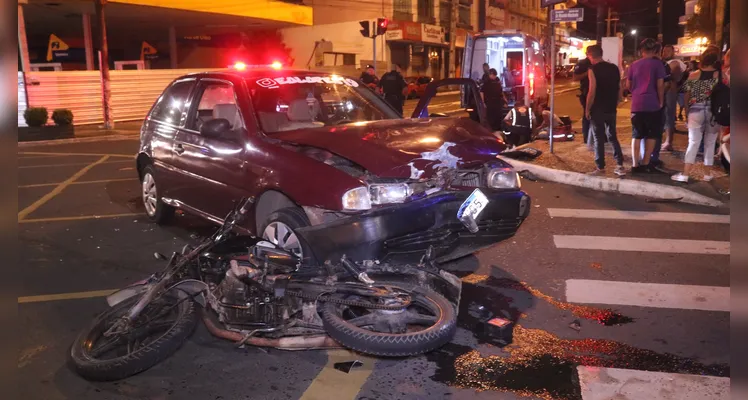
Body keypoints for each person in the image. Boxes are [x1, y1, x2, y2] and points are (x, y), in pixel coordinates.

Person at [671, 50, 722, 183]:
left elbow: (687, 96)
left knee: (693, 143)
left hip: (696, 110)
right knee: (710, 143)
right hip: (714, 112)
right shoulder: (721, 76)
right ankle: (707, 174)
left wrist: (687, 111)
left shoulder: (693, 75)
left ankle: (686, 174)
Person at [585, 44, 626, 176]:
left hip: (598, 108)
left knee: (598, 138)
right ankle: (620, 164)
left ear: (590, 55)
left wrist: (587, 109)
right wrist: (619, 99)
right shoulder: (614, 68)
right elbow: (619, 86)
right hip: (610, 107)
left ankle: (600, 167)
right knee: (612, 136)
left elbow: (592, 91)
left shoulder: (592, 69)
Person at [626, 38, 666, 173]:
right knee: (651, 134)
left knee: (636, 134)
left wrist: (636, 93)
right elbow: (660, 85)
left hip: (637, 104)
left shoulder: (633, 65)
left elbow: (628, 85)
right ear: (655, 50)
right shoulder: (658, 64)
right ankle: (645, 163)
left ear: (641, 50)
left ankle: (634, 165)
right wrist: (661, 101)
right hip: (652, 103)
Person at [660, 44, 685, 152]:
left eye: (668, 51)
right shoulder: (664, 63)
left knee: (669, 115)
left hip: (670, 92)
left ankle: (669, 141)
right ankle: (665, 140)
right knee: (663, 116)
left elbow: (676, 77)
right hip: (664, 91)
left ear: (673, 52)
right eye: (664, 51)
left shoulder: (675, 63)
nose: (665, 53)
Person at [573, 56, 592, 148]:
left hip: (599, 94)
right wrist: (588, 73)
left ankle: (599, 139)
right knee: (586, 115)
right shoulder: (582, 63)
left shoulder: (599, 63)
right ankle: (586, 139)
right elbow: (575, 77)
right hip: (586, 93)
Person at [481, 68, 505, 132]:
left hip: (497, 102)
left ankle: (497, 130)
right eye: (493, 75)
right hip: (490, 102)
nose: (494, 77)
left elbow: (500, 91)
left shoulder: (497, 81)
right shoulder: (486, 82)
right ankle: (492, 131)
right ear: (490, 74)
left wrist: (504, 99)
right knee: (491, 118)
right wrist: (483, 102)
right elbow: (482, 92)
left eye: (495, 75)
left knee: (498, 117)